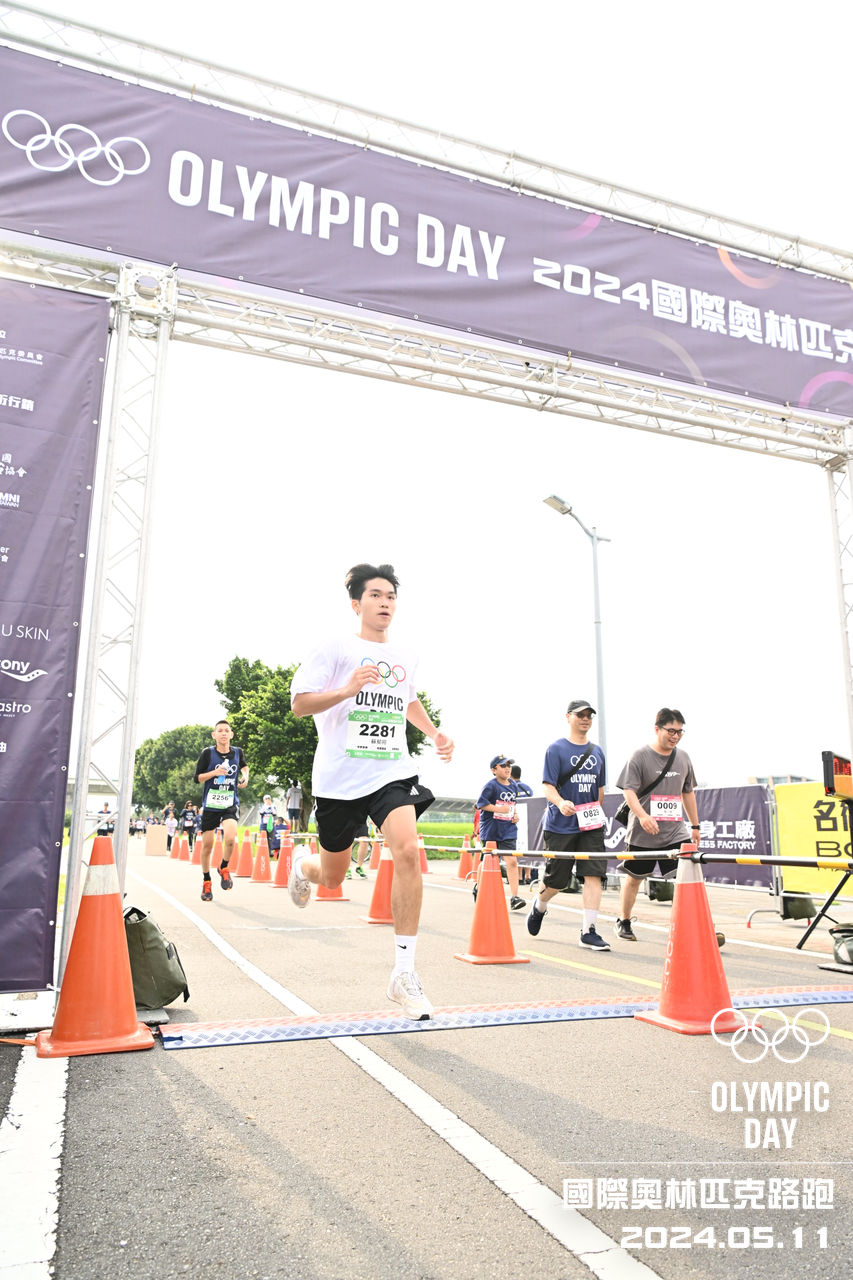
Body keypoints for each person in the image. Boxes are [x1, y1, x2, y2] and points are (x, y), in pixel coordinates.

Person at [289, 562, 453, 1020]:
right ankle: (302, 865)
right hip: (339, 778)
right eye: (376, 595)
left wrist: (434, 733)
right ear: (356, 604)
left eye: (391, 596)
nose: (385, 603)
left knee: (407, 850)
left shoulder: (404, 655)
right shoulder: (334, 647)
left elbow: (408, 700)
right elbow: (300, 704)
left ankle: (404, 973)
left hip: (390, 771)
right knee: (333, 876)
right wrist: (347, 690)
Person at [527, 699, 611, 951]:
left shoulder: (597, 752)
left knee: (594, 874)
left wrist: (594, 815)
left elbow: (600, 789)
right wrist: (561, 802)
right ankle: (540, 905)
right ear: (568, 717)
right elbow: (548, 785)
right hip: (560, 825)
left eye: (589, 715)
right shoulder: (556, 749)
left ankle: (589, 931)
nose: (585, 719)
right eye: (580, 715)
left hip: (590, 826)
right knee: (557, 881)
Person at [614, 707, 699, 942]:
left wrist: (695, 826)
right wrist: (643, 816)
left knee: (688, 877)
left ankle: (695, 926)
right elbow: (628, 791)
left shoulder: (683, 758)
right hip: (643, 833)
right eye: (671, 731)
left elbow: (688, 792)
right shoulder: (639, 756)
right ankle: (624, 920)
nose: (675, 736)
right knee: (634, 878)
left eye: (680, 732)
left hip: (675, 831)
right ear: (657, 729)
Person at [194, 719, 249, 901]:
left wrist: (245, 776)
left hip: (229, 803)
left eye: (227, 730)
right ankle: (206, 880)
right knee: (207, 846)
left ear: (231, 734)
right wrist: (214, 773)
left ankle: (223, 867)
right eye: (220, 731)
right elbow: (197, 778)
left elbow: (244, 766)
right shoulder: (208, 753)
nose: (224, 733)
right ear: (214, 735)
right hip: (211, 805)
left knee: (231, 839)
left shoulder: (237, 752)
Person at [475, 755, 525, 910]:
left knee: (512, 861)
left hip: (508, 829)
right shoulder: (491, 786)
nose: (507, 768)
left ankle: (515, 898)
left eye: (509, 765)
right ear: (494, 770)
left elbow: (512, 804)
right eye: (503, 766)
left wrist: (515, 815)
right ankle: (478, 887)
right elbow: (481, 804)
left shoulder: (514, 785)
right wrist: (498, 809)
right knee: (488, 861)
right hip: (491, 829)